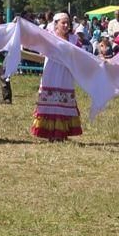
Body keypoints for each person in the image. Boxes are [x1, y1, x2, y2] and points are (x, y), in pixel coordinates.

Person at [31, 12, 83, 141]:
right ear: (56, 24)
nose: (66, 25)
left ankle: (62, 131)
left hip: (66, 73)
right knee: (51, 99)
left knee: (63, 100)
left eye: (68, 23)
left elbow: (82, 55)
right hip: (51, 71)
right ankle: (49, 131)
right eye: (63, 23)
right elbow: (39, 48)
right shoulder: (49, 37)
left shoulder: (74, 39)